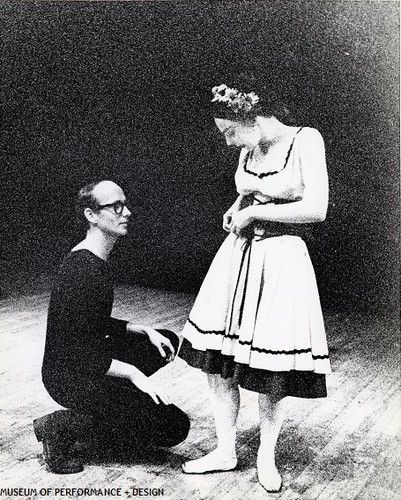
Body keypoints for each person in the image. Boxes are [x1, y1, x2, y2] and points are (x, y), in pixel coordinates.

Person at [178, 80, 331, 492]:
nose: (228, 141)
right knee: (218, 357)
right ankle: (226, 450)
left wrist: (255, 208)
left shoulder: (305, 140)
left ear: (254, 118)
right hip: (239, 256)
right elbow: (246, 195)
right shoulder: (250, 149)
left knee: (270, 363)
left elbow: (316, 208)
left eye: (230, 131)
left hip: (281, 258)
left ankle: (266, 455)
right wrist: (237, 209)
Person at [33, 180, 190, 474]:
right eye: (116, 207)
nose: (126, 212)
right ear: (91, 215)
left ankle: (111, 409)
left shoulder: (94, 261)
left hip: (83, 362)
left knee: (165, 340)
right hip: (69, 377)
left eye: (125, 204)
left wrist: (142, 329)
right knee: (173, 427)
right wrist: (133, 373)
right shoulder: (83, 271)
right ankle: (61, 427)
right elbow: (78, 352)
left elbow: (92, 324)